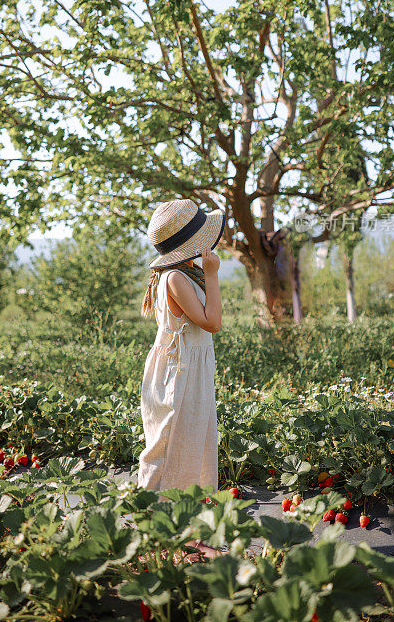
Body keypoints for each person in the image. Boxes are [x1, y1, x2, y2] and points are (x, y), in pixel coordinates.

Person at [138, 198, 226, 561]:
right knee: (173, 445)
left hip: (187, 366)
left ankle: (185, 530)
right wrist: (213, 274)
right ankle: (161, 530)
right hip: (181, 372)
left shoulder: (176, 273)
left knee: (192, 445)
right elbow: (212, 322)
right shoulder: (176, 277)